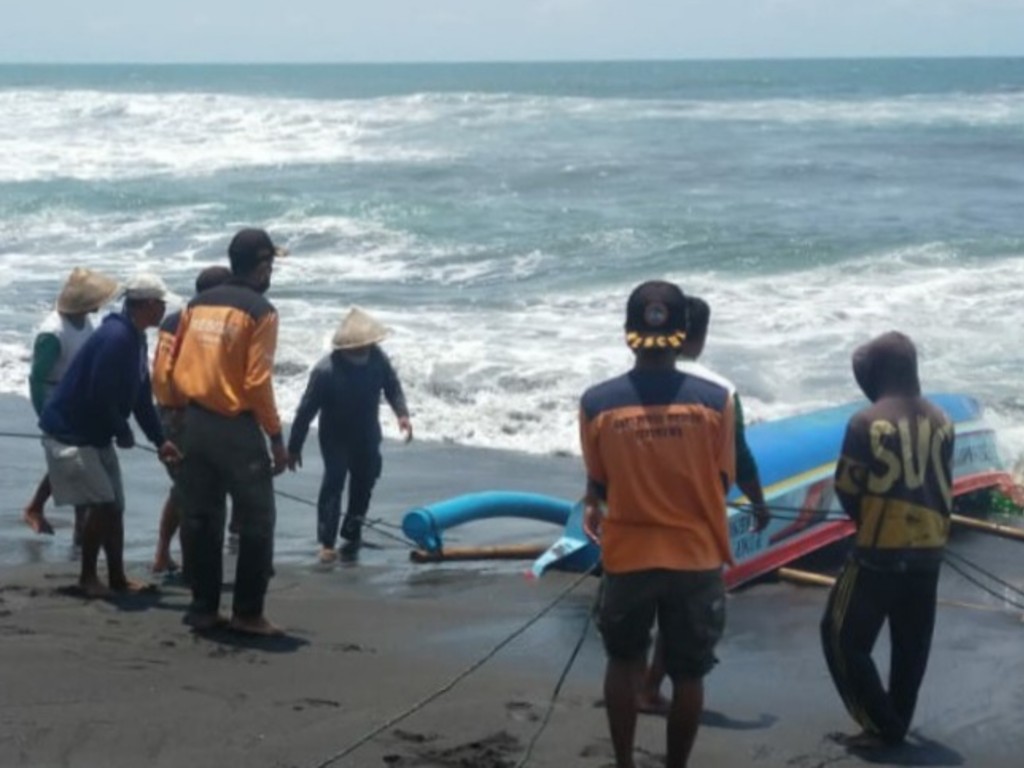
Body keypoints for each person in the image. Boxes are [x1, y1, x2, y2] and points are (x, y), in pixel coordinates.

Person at [580, 280, 736, 768]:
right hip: (694, 556)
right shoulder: (716, 403)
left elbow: (599, 482)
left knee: (623, 663)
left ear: (629, 334)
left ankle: (624, 762)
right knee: (689, 674)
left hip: (628, 557)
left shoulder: (596, 404)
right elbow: (724, 479)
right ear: (684, 333)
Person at [821, 331, 954, 749]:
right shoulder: (942, 419)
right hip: (929, 554)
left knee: (841, 638)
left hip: (877, 555)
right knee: (911, 645)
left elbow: (848, 487)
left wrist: (871, 522)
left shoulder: (866, 422)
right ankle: (897, 716)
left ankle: (882, 724)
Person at [638, 294, 770, 715]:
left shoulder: (633, 379)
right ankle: (658, 690)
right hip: (694, 528)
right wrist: (759, 503)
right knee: (684, 622)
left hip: (636, 519)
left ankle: (640, 689)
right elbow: (740, 458)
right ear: (699, 336)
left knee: (637, 624)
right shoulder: (720, 391)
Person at [169, 227, 289, 636]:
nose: (272, 272)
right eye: (270, 263)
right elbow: (256, 383)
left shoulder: (196, 305)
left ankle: (203, 607)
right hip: (235, 428)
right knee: (257, 519)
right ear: (261, 266)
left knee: (202, 517)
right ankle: (248, 613)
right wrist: (275, 437)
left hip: (193, 422)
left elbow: (172, 365)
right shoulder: (261, 310)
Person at [39, 273, 182, 598]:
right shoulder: (116, 337)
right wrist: (122, 429)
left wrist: (161, 441)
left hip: (96, 433)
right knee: (102, 503)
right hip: (72, 432)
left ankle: (117, 577)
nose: (163, 310)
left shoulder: (136, 337)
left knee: (115, 506)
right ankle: (88, 577)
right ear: (147, 305)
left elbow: (141, 397)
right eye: (161, 304)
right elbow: (98, 392)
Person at [287, 307, 412, 563]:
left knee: (365, 479)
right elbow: (305, 411)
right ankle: (327, 541)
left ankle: (352, 529)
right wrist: (293, 448)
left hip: (367, 431)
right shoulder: (326, 371)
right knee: (334, 482)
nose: (368, 347)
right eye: (364, 344)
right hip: (335, 436)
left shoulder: (377, 358)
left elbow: (392, 386)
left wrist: (402, 414)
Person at [23, 267, 119, 538]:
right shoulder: (53, 333)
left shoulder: (83, 320)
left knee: (79, 462)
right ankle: (36, 508)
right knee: (73, 461)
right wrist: (45, 415)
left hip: (78, 396)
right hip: (57, 400)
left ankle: (77, 524)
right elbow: (37, 377)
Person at [150, 265, 233, 576]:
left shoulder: (176, 319)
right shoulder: (200, 324)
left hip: (170, 411)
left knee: (183, 490)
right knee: (194, 493)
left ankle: (163, 555)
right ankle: (190, 567)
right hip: (185, 415)